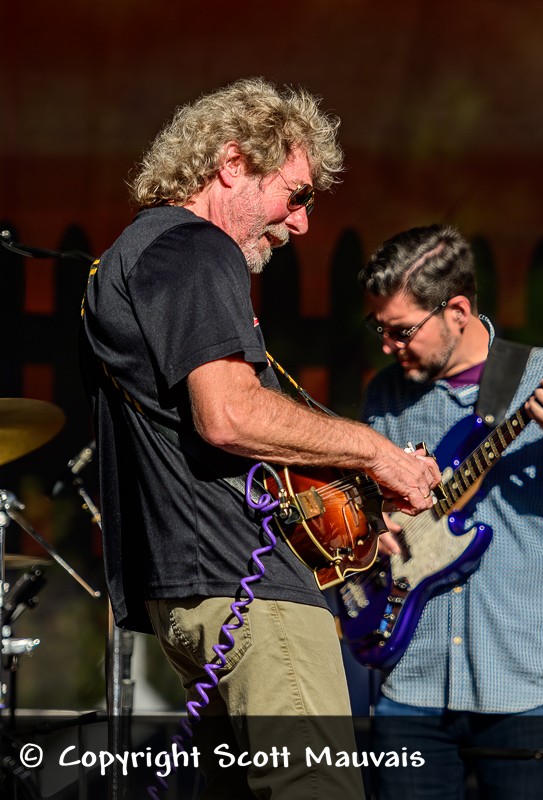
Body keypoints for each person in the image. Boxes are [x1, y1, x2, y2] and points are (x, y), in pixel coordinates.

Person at [80, 78, 441, 798]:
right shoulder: (192, 248)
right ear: (232, 161)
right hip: (247, 597)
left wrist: (359, 494)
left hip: (195, 595)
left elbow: (220, 446)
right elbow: (230, 415)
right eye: (297, 194)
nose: (302, 224)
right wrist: (374, 449)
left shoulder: (141, 255)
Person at [356, 224, 543, 800]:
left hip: (529, 680)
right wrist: (376, 531)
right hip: (410, 675)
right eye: (380, 330)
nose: (388, 347)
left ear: (458, 311)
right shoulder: (384, 396)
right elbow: (363, 511)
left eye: (400, 332)